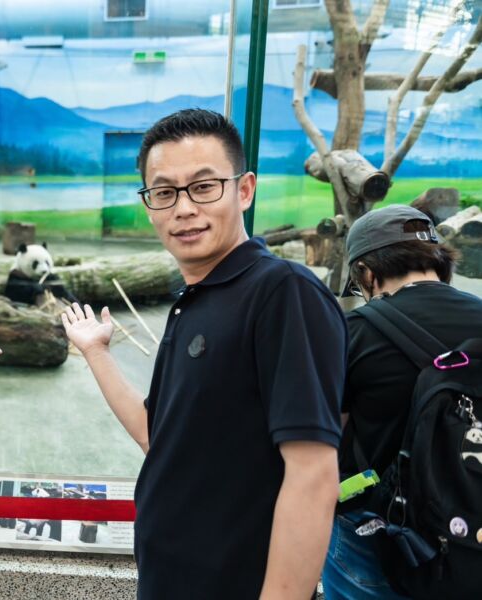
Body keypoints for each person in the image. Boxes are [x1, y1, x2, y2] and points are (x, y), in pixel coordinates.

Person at [62, 109, 346, 599]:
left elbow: (314, 475)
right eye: (165, 192)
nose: (184, 208)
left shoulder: (281, 294)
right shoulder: (194, 302)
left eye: (204, 186)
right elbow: (162, 437)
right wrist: (96, 353)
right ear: (149, 204)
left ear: (244, 189)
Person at [321, 205, 482, 599]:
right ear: (440, 263)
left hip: (377, 531)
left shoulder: (353, 331)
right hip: (470, 523)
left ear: (367, 274)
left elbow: (324, 436)